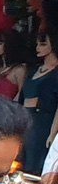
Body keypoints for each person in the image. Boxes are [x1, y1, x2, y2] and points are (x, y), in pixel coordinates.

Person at [22, 27, 58, 166]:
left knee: (35, 163)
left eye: (43, 43)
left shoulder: (55, 75)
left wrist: (52, 133)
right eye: (37, 44)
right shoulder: (32, 71)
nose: (38, 47)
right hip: (26, 119)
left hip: (43, 122)